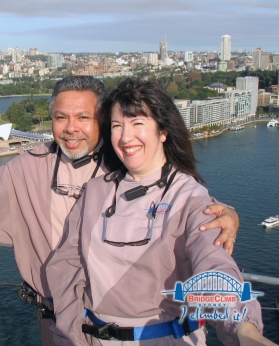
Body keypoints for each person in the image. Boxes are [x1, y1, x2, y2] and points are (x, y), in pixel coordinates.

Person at [0, 76, 240, 345]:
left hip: (145, 329)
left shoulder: (124, 166)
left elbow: (188, 209)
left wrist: (227, 214)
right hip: (59, 325)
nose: (71, 128)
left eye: (84, 118)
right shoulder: (28, 168)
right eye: (60, 117)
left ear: (102, 120)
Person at [46, 78, 273, 345]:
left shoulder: (190, 197)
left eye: (138, 123)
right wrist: (70, 333)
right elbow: (66, 267)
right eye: (117, 126)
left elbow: (214, 266)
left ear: (163, 131)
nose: (125, 136)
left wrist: (244, 329)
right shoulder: (95, 192)